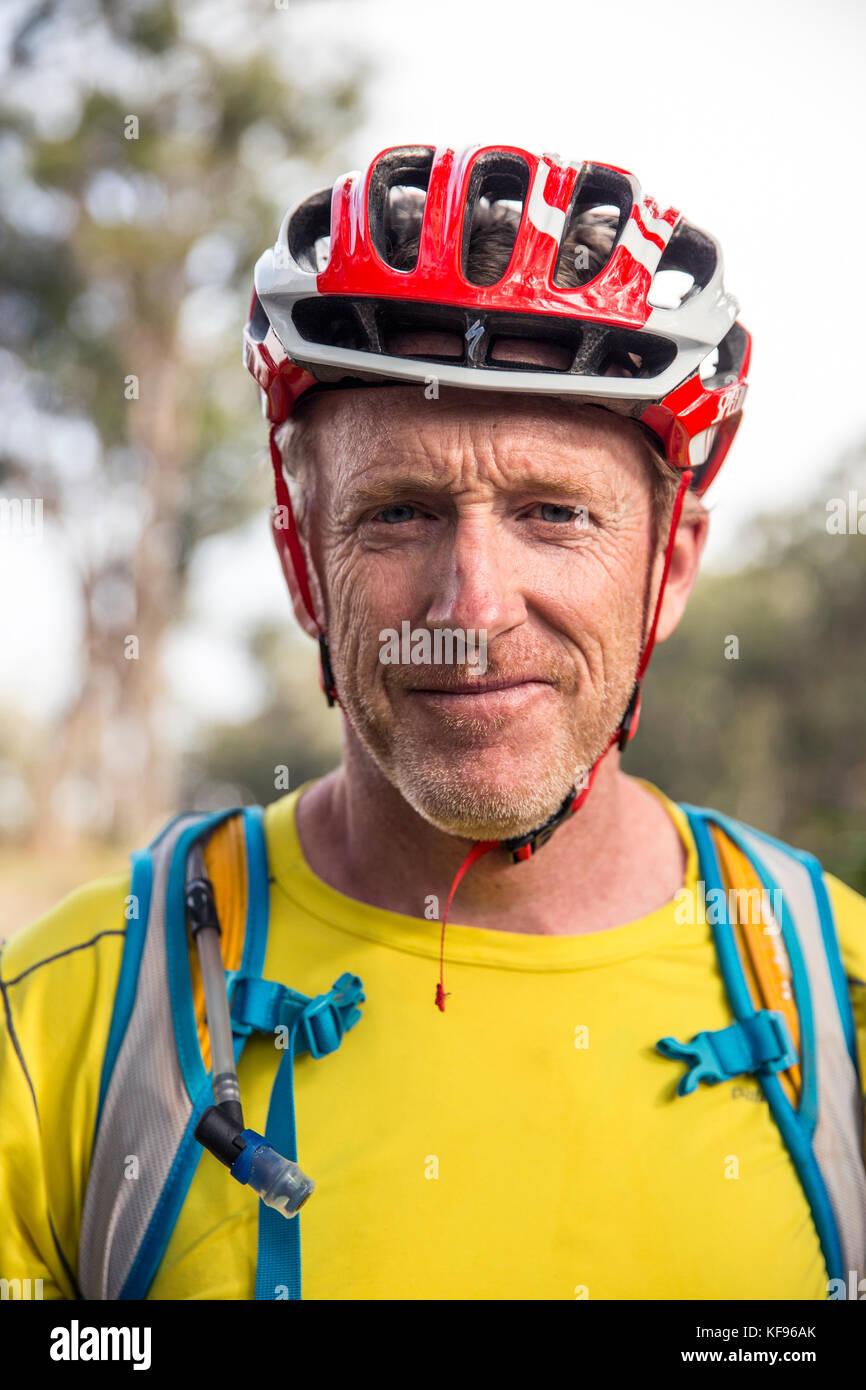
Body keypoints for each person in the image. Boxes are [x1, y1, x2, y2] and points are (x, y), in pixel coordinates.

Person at [2, 144, 865, 1302]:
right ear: (303, 567)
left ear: (668, 569)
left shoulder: (837, 996)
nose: (471, 611)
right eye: (398, 512)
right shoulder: (68, 1021)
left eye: (553, 513)